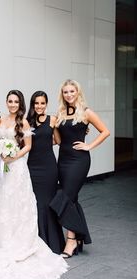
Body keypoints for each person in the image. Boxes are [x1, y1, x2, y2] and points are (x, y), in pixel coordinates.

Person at [0, 90, 68, 279]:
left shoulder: (24, 122)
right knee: (3, 203)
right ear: (6, 102)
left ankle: (21, 242)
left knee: (19, 204)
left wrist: (13, 157)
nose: (12, 104)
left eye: (15, 102)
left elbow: (28, 146)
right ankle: (2, 240)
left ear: (20, 104)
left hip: (17, 168)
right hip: (2, 170)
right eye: (9, 101)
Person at [50, 79, 110, 258]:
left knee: (65, 198)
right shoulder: (60, 113)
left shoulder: (86, 112)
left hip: (79, 160)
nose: (69, 95)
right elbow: (58, 139)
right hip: (63, 159)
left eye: (72, 91)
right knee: (72, 198)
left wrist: (89, 146)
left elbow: (105, 131)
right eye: (65, 92)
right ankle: (77, 237)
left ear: (78, 92)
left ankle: (71, 240)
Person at [26, 91, 65, 254]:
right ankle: (37, 240)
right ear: (33, 105)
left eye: (42, 103)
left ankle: (53, 242)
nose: (39, 106)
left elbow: (59, 140)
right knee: (35, 203)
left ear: (46, 104)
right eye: (36, 103)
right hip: (32, 166)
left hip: (48, 167)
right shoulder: (28, 121)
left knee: (48, 203)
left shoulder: (52, 120)